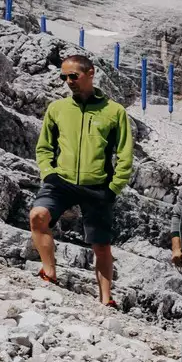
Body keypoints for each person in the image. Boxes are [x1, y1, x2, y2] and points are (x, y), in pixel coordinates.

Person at [33, 55, 133, 307]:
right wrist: (49, 173)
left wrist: (113, 189)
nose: (68, 81)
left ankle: (106, 299)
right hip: (60, 181)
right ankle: (49, 272)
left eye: (73, 76)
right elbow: (44, 147)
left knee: (101, 245)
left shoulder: (114, 111)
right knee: (37, 216)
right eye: (63, 77)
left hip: (99, 186)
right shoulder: (57, 109)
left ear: (90, 73)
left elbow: (125, 153)